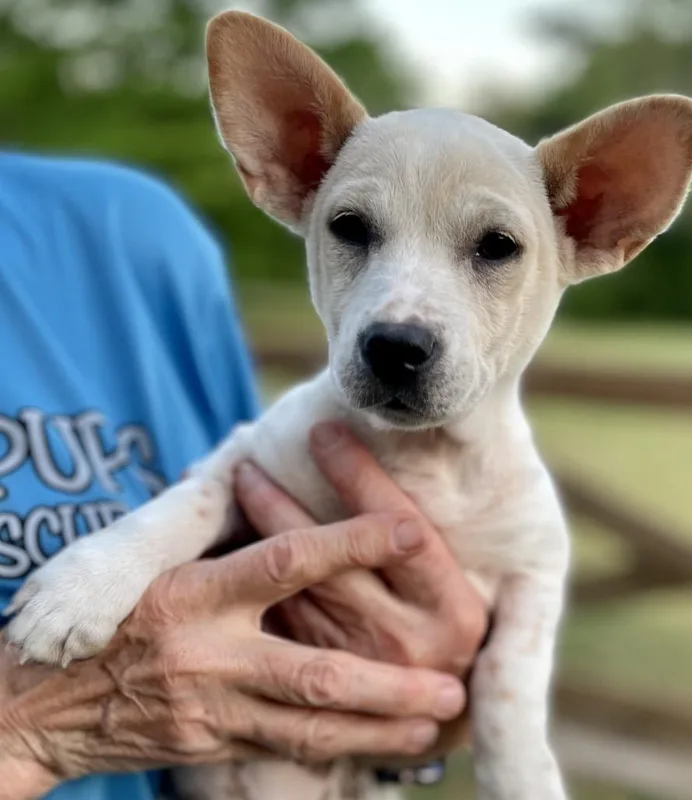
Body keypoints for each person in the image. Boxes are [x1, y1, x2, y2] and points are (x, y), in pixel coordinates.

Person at [0, 151, 487, 800]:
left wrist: (408, 717)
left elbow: (244, 509)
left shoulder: (134, 232)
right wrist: (20, 727)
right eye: (354, 231)